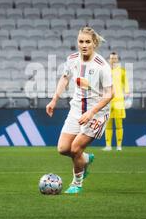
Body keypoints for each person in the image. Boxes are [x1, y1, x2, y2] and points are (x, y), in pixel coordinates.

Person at [46, 27, 114, 194]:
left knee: (75, 148)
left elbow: (110, 93)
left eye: (87, 42)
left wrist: (91, 113)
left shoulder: (102, 65)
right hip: (76, 109)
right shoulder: (72, 59)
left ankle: (77, 183)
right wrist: (54, 99)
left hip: (96, 113)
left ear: (94, 43)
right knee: (63, 149)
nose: (84, 45)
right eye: (81, 41)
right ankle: (85, 159)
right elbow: (65, 78)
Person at [103, 52, 130, 151]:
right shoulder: (105, 71)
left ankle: (119, 146)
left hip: (118, 100)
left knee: (119, 124)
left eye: (115, 58)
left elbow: (126, 83)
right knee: (108, 124)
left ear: (117, 59)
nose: (113, 60)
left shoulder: (122, 71)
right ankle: (108, 146)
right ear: (109, 59)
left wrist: (127, 92)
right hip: (107, 100)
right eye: (111, 58)